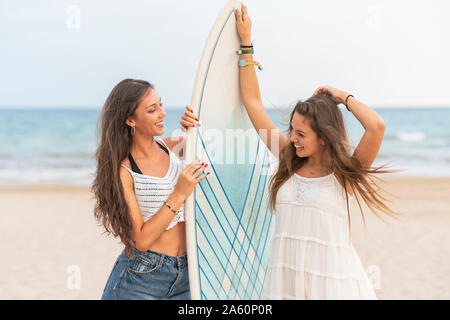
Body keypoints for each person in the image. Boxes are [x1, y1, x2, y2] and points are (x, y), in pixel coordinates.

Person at [235, 4, 397, 299]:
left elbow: (376, 126)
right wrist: (246, 45)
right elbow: (252, 102)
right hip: (286, 281)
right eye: (292, 130)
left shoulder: (345, 174)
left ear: (324, 138)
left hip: (334, 284)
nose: (293, 139)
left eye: (301, 134)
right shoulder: (288, 159)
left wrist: (342, 96)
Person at [92, 78, 205, 300]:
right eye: (152, 110)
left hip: (188, 272)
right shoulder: (124, 170)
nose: (162, 114)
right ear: (130, 120)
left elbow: (210, 151)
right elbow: (141, 240)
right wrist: (179, 193)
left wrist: (192, 128)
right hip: (141, 277)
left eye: (161, 105)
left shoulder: (171, 148)